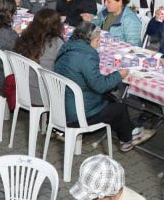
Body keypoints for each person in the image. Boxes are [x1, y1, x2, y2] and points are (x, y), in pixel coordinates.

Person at [54, 22, 155, 153]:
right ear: (91, 40)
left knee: (111, 97)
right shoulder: (87, 56)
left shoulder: (66, 48)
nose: (99, 42)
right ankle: (127, 140)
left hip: (61, 105)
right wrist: (118, 75)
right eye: (98, 40)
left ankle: (127, 129)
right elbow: (100, 86)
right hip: (78, 114)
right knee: (120, 107)